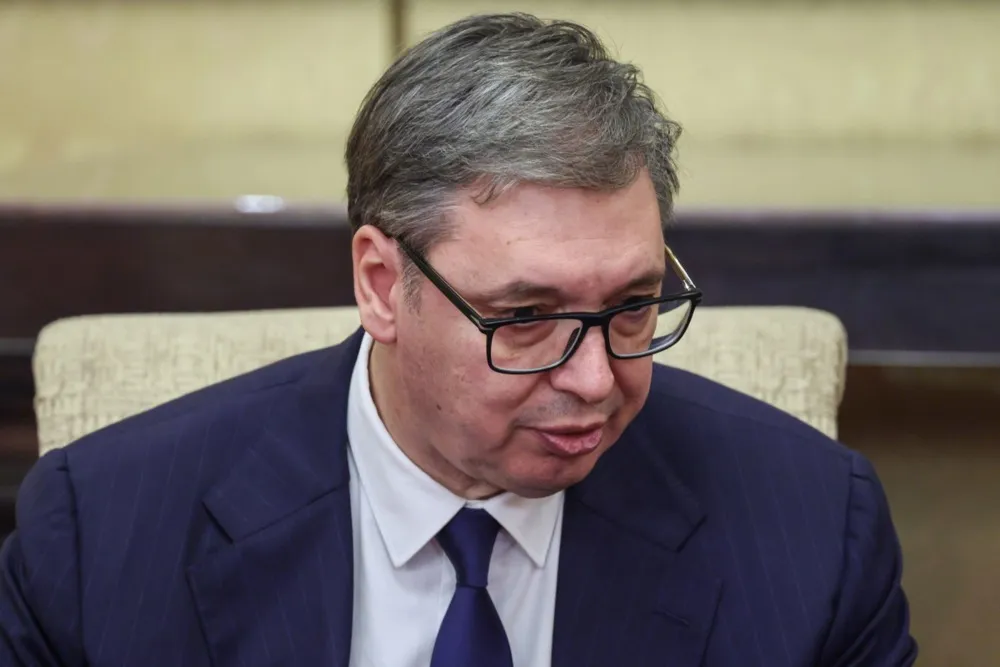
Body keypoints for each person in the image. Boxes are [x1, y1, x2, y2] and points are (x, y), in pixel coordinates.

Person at [0, 12, 915, 667]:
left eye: (633, 306)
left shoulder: (811, 532)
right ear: (380, 284)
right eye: (526, 317)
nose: (596, 380)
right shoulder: (103, 537)